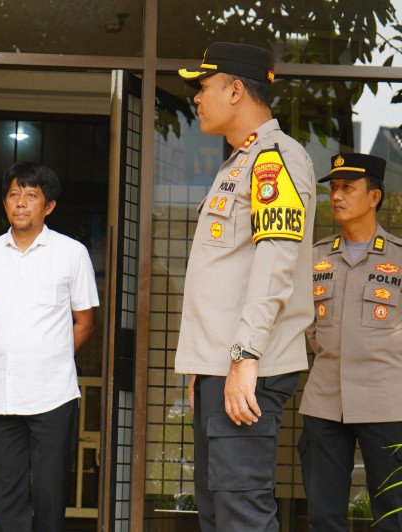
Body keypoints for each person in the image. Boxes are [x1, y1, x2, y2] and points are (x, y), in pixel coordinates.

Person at [174, 42, 316, 531]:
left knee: (241, 512)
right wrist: (204, 367)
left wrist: (243, 356)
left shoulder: (275, 158)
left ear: (236, 90)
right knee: (217, 510)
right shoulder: (240, 161)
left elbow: (275, 263)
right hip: (222, 367)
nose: (196, 97)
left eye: (204, 86)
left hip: (247, 366)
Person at [0, 162, 98, 531]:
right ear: (5, 203)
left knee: (49, 494)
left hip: (53, 397)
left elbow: (85, 322)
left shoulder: (71, 253)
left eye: (31, 195)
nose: (21, 203)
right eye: (14, 194)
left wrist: (49, 356)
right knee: (5, 493)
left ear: (49, 206)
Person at [298, 153, 402, 531]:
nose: (336, 196)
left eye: (348, 188)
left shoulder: (399, 258)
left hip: (387, 405)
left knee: (393, 515)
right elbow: (307, 325)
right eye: (333, 188)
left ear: (374, 197)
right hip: (325, 403)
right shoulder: (314, 258)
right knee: (324, 517)